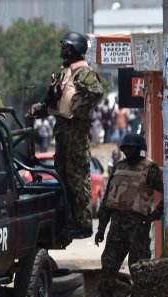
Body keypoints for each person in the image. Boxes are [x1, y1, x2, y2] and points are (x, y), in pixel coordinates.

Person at [30, 32, 104, 238]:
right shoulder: (64, 73)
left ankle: (83, 224)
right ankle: (69, 221)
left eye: (64, 46)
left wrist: (77, 111)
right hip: (62, 131)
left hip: (76, 133)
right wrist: (36, 111)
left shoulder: (82, 73)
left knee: (77, 178)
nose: (61, 49)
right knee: (62, 177)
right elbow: (53, 103)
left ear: (72, 48)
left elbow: (97, 92)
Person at [85, 134, 163, 297]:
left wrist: (154, 216)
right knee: (107, 270)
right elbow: (107, 201)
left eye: (131, 148)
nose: (128, 151)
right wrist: (101, 228)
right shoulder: (118, 168)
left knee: (138, 271)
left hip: (138, 227)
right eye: (125, 148)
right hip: (117, 226)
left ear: (139, 149)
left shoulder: (150, 169)